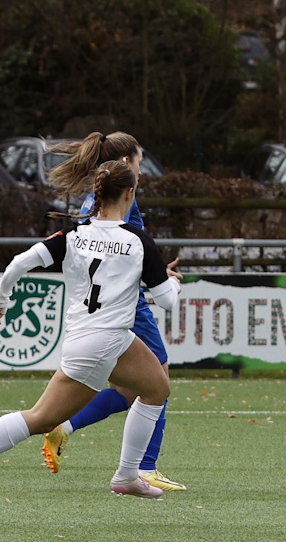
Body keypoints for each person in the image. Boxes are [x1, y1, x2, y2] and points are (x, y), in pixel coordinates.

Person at [0, 161, 181, 503]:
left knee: (157, 388)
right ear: (130, 193)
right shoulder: (138, 241)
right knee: (41, 418)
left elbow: (20, 262)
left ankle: (127, 475)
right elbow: (166, 301)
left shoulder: (73, 234)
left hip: (101, 337)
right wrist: (173, 283)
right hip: (102, 343)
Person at [39, 131, 185, 491]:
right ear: (125, 163)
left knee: (129, 390)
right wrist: (157, 280)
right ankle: (144, 467)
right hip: (127, 306)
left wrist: (155, 273)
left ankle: (64, 426)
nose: (141, 170)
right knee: (158, 382)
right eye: (139, 161)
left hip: (108, 305)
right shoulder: (122, 198)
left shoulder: (99, 195)